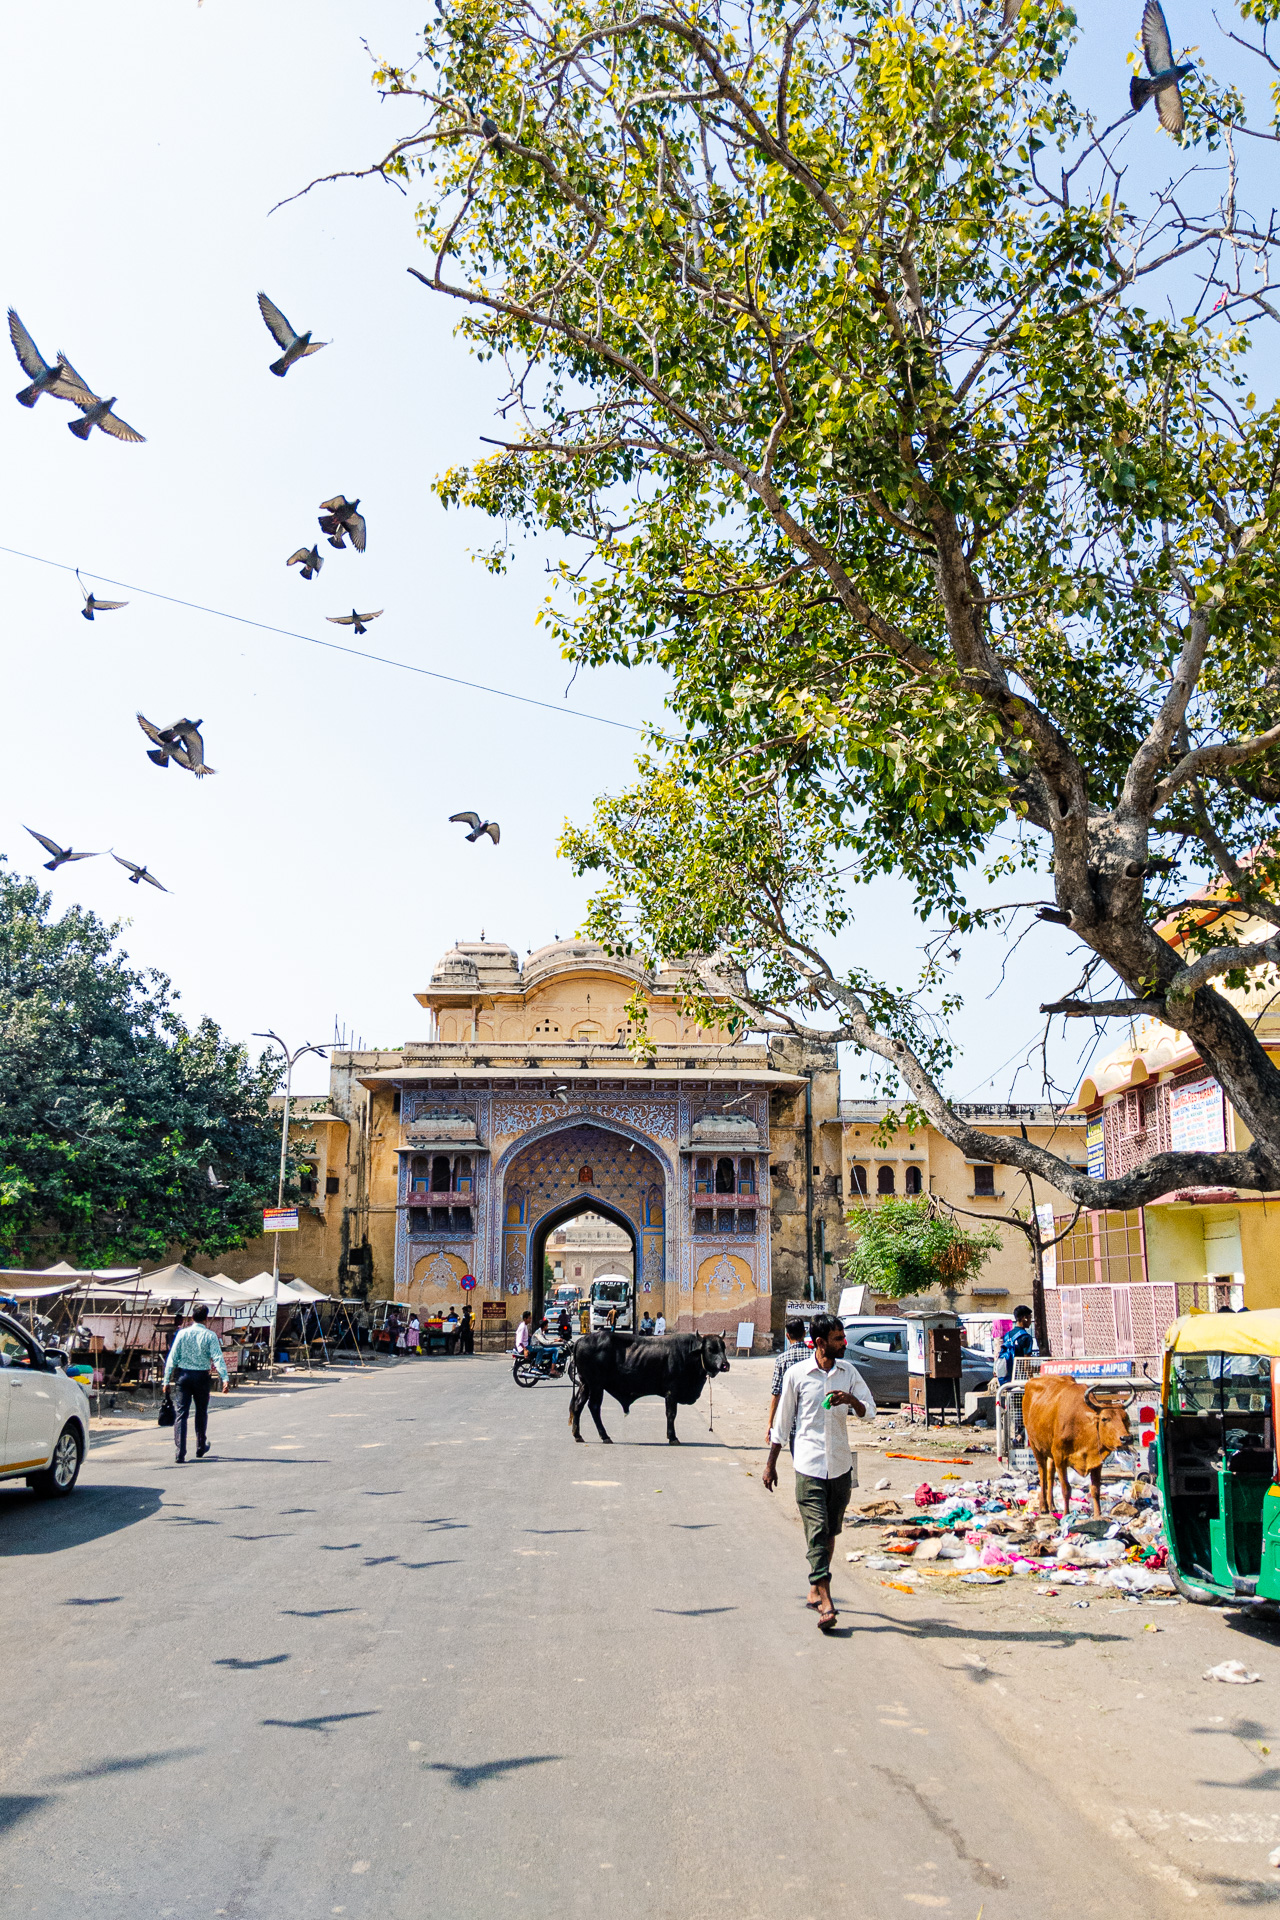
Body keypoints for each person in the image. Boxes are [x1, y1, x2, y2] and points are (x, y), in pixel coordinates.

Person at [763, 1314, 870, 1632]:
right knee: (817, 1530)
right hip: (807, 1465)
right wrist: (770, 1464)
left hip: (840, 1465)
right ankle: (825, 1598)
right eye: (839, 1338)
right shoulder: (797, 1375)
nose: (844, 1343)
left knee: (831, 1531)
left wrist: (851, 1400)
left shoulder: (848, 1372)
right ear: (821, 1342)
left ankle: (814, 1591)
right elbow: (782, 1425)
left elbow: (870, 1410)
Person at [162, 1302, 230, 1465]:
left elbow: (172, 1358)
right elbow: (217, 1357)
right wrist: (225, 1378)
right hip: (201, 1378)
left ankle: (180, 1452)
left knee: (181, 1414)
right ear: (206, 1318)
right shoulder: (210, 1335)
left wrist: (166, 1379)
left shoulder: (182, 1334)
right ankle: (200, 1446)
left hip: (183, 1376)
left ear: (192, 1317)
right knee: (201, 1411)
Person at [766, 1320, 810, 1447]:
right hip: (813, 1422)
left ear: (787, 1335)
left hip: (792, 1423)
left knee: (797, 1461)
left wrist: (770, 1422)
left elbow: (776, 1393)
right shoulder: (814, 1357)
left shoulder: (782, 1360)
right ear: (804, 1333)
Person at [996, 1306, 1035, 1385]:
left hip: (1007, 1377)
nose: (1030, 1321)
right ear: (1025, 1318)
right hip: (1020, 1377)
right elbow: (1026, 1363)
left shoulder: (1007, 1335)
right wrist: (1031, 1379)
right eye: (1030, 1318)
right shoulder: (1026, 1337)